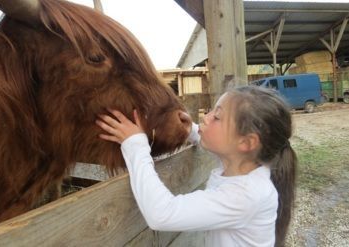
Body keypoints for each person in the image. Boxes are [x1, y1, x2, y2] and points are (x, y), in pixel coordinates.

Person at [95, 86, 296, 247]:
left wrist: (135, 144)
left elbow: (162, 215)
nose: (205, 117)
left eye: (216, 117)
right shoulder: (242, 165)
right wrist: (190, 129)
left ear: (246, 143)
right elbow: (214, 141)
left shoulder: (247, 195)